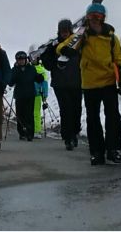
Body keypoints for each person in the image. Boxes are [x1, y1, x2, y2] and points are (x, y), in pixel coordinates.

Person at [61, 3, 121, 166]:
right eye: (91, 17)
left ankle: (113, 150)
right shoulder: (82, 36)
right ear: (87, 19)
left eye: (98, 17)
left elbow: (118, 59)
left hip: (108, 81)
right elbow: (63, 45)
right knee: (93, 119)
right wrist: (65, 50)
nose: (95, 20)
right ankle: (97, 152)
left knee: (113, 117)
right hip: (90, 84)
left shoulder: (111, 37)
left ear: (103, 19)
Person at [40, 18, 83, 150]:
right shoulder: (53, 45)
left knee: (76, 110)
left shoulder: (78, 42)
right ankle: (67, 138)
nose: (64, 33)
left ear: (70, 30)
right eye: (62, 30)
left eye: (66, 30)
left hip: (77, 82)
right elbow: (46, 62)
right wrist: (55, 63)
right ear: (59, 31)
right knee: (66, 110)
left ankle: (75, 132)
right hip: (60, 83)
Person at [8, 51, 38, 141]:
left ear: (26, 60)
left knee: (29, 114)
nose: (21, 61)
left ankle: (30, 133)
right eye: (19, 60)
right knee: (20, 114)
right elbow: (10, 82)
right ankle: (22, 133)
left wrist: (40, 77)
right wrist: (13, 78)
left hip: (30, 94)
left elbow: (36, 77)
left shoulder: (31, 68)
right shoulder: (14, 70)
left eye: (22, 59)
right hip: (19, 95)